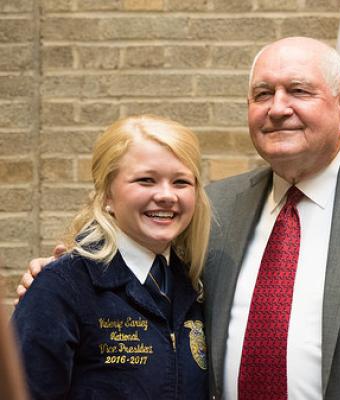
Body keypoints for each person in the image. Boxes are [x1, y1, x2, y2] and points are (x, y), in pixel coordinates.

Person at [20, 37, 340, 400]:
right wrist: (61, 276)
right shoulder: (216, 207)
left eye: (298, 91)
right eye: (262, 94)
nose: (277, 108)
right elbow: (139, 266)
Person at [12, 115, 211, 399]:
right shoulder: (61, 288)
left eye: (181, 182)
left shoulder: (194, 286)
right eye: (146, 180)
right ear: (107, 194)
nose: (167, 195)